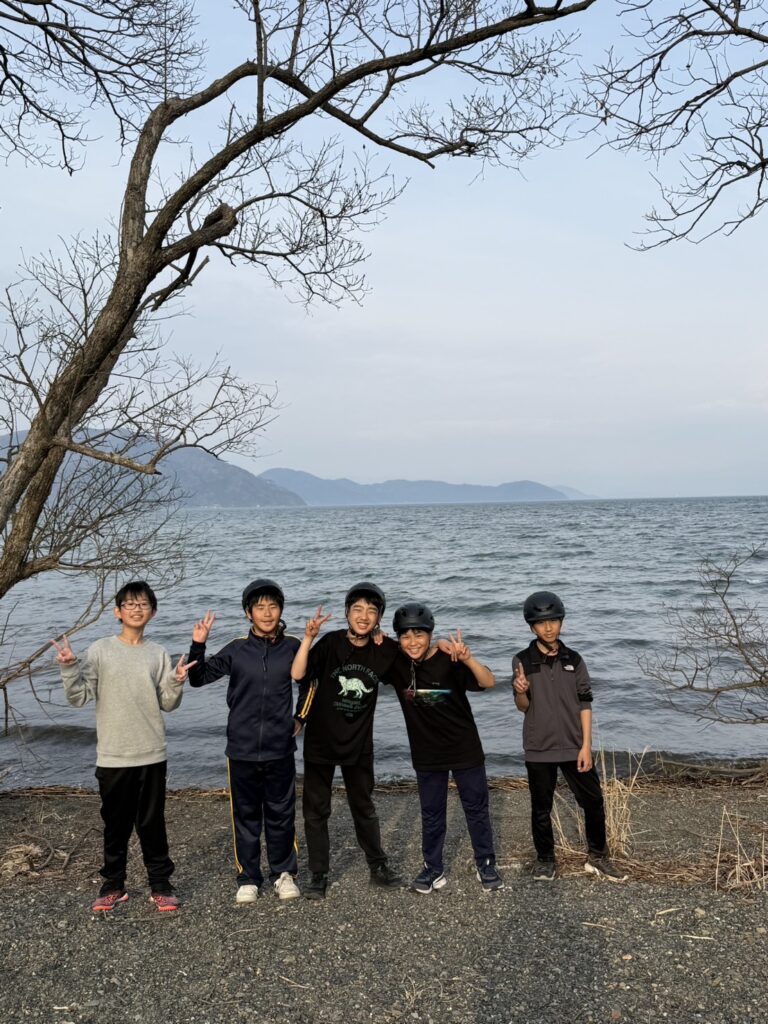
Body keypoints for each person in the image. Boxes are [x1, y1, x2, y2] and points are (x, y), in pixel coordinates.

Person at [53, 580, 192, 914]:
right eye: (129, 604)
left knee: (152, 824)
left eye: (143, 604)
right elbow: (79, 697)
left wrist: (176, 681)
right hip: (113, 754)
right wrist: (69, 666)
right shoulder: (100, 650)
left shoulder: (158, 653)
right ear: (117, 612)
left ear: (153, 612)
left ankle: (161, 885)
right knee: (115, 825)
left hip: (152, 752)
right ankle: (113, 886)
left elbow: (168, 703)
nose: (136, 609)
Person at [187, 578, 302, 902]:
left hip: (280, 747)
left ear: (281, 610)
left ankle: (283, 874)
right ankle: (248, 878)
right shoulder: (237, 649)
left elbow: (310, 681)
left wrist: (301, 716)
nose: (267, 613)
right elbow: (198, 678)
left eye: (273, 606)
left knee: (281, 813)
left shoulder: (293, 645)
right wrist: (198, 645)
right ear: (248, 613)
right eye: (259, 607)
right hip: (241, 748)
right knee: (246, 815)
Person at [292, 581, 403, 900]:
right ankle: (319, 873)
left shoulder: (384, 649)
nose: (364, 616)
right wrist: (308, 637)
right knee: (316, 811)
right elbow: (298, 675)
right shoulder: (330, 643)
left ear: (379, 617)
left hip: (359, 743)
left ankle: (378, 865)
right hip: (321, 741)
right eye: (357, 609)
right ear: (346, 613)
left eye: (371, 611)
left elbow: (410, 667)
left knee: (364, 806)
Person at [512, 590, 627, 882]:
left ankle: (597, 857)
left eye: (553, 621)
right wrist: (521, 690)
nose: (548, 627)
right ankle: (545, 860)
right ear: (532, 627)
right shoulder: (523, 660)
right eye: (541, 623)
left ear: (561, 622)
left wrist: (586, 746)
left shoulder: (574, 660)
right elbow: (522, 707)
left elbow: (585, 704)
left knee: (593, 801)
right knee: (541, 808)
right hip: (539, 747)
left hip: (575, 746)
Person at [389, 602, 503, 894]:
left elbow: (488, 681)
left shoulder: (449, 658)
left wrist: (467, 658)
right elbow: (370, 648)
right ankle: (433, 869)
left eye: (419, 634)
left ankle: (486, 863)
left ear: (430, 634)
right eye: (405, 636)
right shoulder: (396, 663)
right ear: (398, 638)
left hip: (464, 748)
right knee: (432, 813)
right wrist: (376, 633)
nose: (412, 642)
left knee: (476, 809)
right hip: (427, 753)